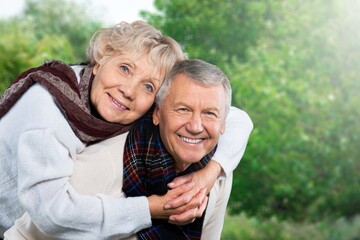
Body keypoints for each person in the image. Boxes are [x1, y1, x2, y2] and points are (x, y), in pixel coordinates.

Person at [0, 22, 253, 240]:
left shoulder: (125, 102)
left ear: (157, 102)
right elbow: (51, 214)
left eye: (147, 86)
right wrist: (151, 208)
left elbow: (237, 120)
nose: (129, 90)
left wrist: (208, 175)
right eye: (124, 68)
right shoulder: (48, 112)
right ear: (100, 60)